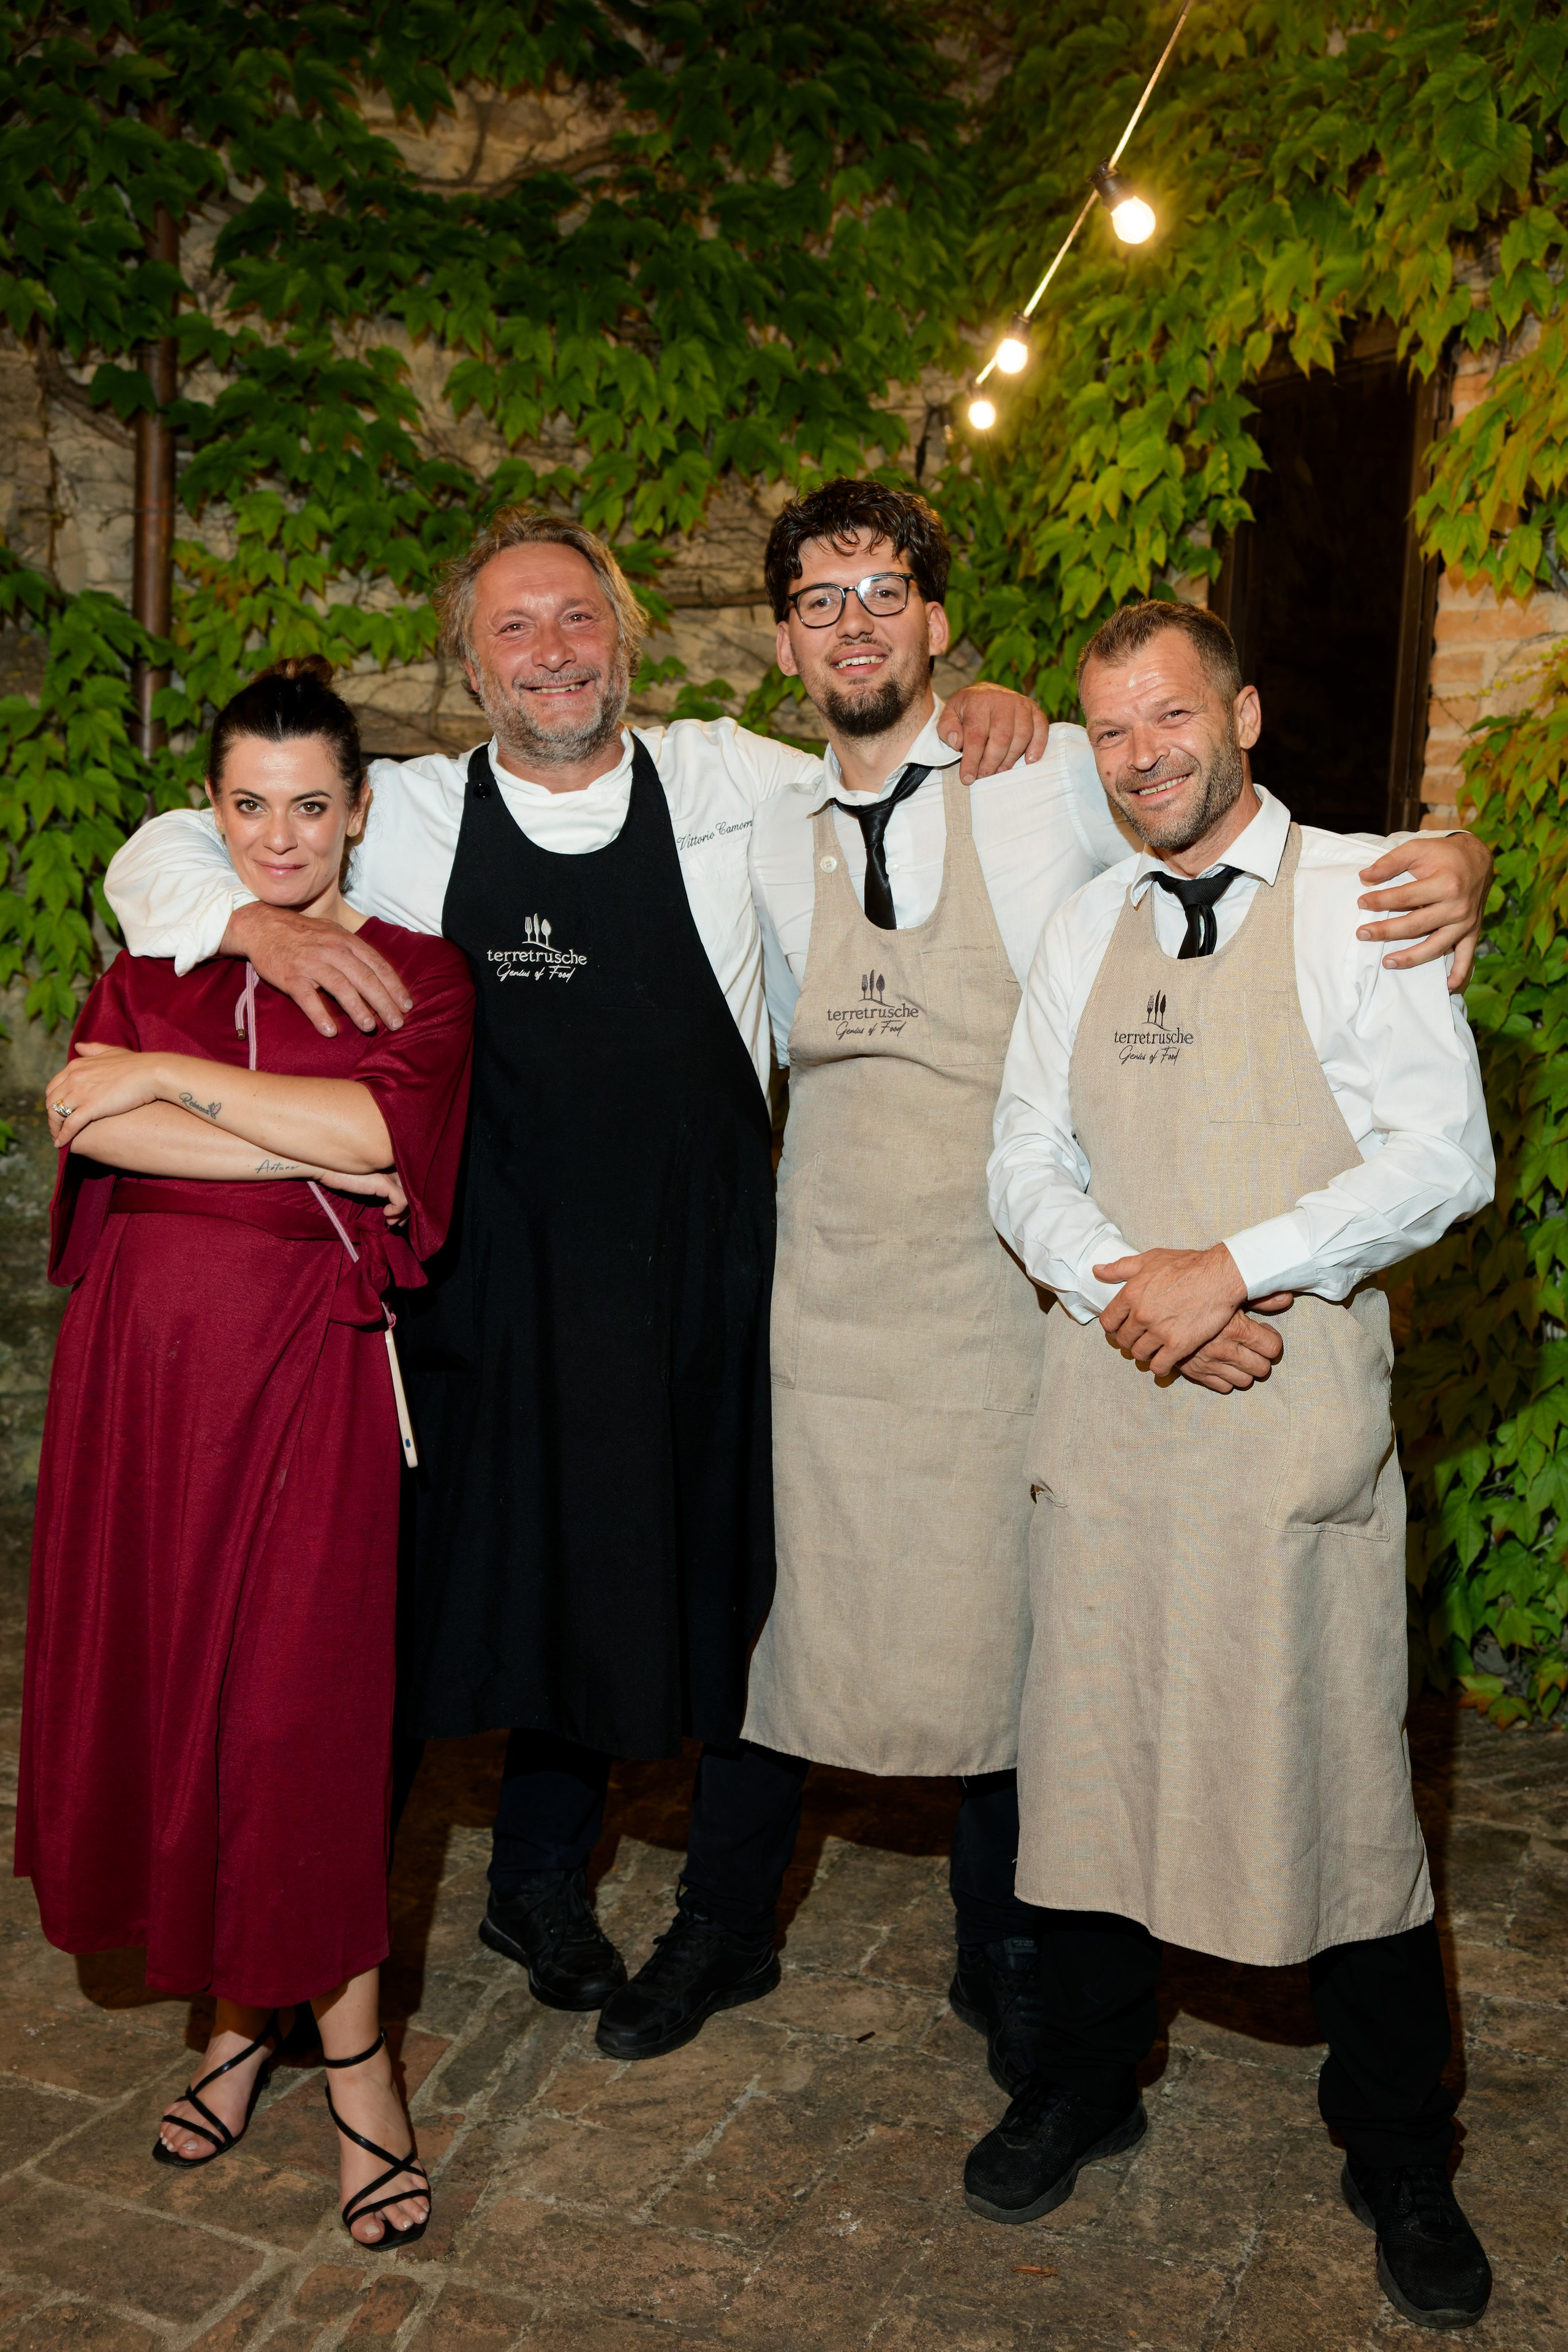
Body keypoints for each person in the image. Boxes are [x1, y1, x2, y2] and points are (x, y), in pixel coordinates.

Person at [99, 513, 1047, 2038]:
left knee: (665, 1582)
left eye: (576, 618)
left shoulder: (730, 779)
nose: (551, 653)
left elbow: (887, 764)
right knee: (431, 1603)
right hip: (474, 1280)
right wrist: (246, 925)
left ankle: (628, 1901)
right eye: (513, 628)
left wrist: (985, 710)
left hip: (687, 1279)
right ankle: (362, 1928)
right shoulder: (407, 810)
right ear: (468, 665)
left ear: (624, 635)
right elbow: (161, 846)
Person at [598, 484, 1496, 2084]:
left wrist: (1457, 865)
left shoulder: (1057, 780)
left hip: (1011, 1302)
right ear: (784, 640)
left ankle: (1012, 1958)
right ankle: (725, 1923)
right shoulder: (756, 810)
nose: (855, 622)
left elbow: (1258, 851)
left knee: (1022, 1641)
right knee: (777, 1616)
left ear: (940, 623)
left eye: (887, 590)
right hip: (829, 1295)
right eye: (819, 600)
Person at [975, 600, 1496, 2332]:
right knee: (1093, 1755)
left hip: (1287, 1414)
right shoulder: (1083, 922)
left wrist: (1237, 1268)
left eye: (1171, 716)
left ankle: (1399, 2145)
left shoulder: (1366, 896)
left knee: (1333, 1775)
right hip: (1116, 1400)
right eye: (1112, 731)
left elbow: (1442, 1155)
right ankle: (1083, 2078)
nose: (1143, 757)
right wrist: (1139, 1294)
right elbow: (1021, 1156)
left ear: (1246, 713)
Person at [19, 660, 474, 2250]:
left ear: (359, 812)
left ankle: (359, 2074)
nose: (280, 837)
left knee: (300, 1728)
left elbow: (383, 1141)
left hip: (310, 1385)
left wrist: (173, 1084)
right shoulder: (154, 961)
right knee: (180, 1710)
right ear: (213, 812)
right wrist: (264, 1128)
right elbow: (86, 1121)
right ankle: (231, 2024)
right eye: (249, 805)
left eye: (310, 805)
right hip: (141, 1390)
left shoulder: (419, 974)